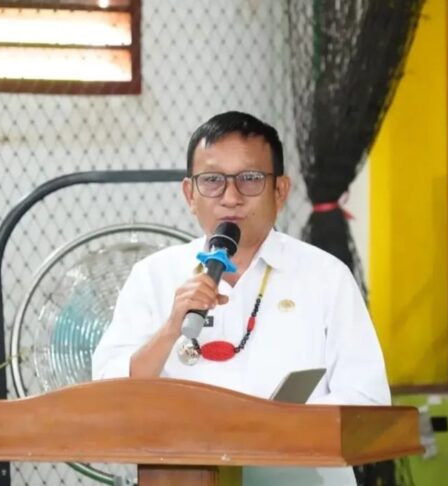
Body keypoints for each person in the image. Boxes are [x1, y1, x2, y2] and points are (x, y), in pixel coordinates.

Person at [92, 111, 390, 485]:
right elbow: (106, 395)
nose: (230, 197)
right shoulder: (154, 276)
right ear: (190, 194)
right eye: (212, 181)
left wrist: (271, 429)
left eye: (249, 179)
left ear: (280, 191)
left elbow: (368, 400)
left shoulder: (326, 277)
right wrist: (170, 330)